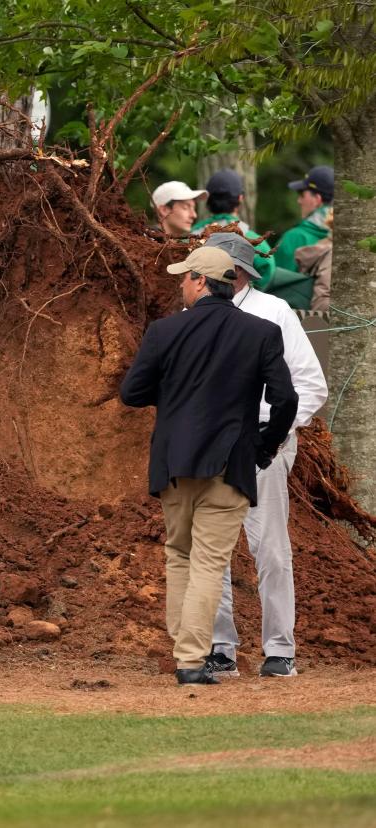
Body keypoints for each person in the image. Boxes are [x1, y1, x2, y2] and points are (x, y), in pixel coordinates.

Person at [120, 245, 297, 685]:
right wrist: (265, 445)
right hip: (229, 464)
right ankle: (191, 661)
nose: (180, 283)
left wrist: (176, 394)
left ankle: (187, 652)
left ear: (201, 281)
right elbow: (286, 398)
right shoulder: (259, 332)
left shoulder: (164, 331)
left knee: (180, 554)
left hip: (174, 464)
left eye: (185, 276)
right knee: (208, 561)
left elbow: (132, 393)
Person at [201, 233, 328, 679]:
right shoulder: (192, 313)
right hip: (210, 443)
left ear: (235, 271)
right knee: (212, 548)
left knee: (269, 548)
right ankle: (221, 647)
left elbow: (311, 386)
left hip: (261, 443)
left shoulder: (275, 311)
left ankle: (279, 649)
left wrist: (272, 435)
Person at [190, 169, 275, 289]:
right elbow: (266, 269)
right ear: (240, 198)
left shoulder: (190, 237)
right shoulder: (254, 241)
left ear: (208, 201)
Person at [273, 165, 334, 272]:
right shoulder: (353, 239)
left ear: (317, 199)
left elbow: (270, 284)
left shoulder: (294, 238)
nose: (299, 201)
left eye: (302, 194)